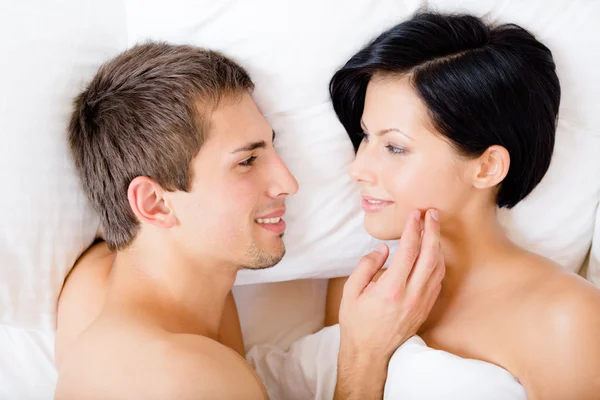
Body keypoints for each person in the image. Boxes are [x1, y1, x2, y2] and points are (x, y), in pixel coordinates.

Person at [54, 42, 444, 399]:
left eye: (271, 148)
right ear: (154, 203)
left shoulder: (105, 283)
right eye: (246, 161)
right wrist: (364, 355)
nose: (288, 183)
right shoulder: (177, 378)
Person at [325, 12, 600, 399]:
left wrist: (365, 356)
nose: (358, 168)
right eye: (365, 137)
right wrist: (361, 353)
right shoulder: (359, 291)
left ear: (487, 167)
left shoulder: (568, 319)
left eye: (395, 147)